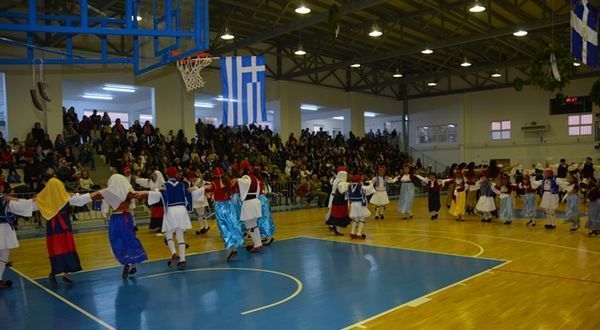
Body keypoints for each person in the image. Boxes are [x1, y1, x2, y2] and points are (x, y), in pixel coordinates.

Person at [34, 178, 94, 286]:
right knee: (58, 249)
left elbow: (81, 199)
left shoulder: (65, 197)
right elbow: (29, 205)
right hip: (56, 228)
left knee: (65, 248)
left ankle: (65, 274)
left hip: (62, 227)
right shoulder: (45, 199)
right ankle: (53, 273)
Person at [147, 167, 208, 269]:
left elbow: (157, 195)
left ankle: (174, 253)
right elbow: (190, 194)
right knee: (180, 236)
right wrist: (201, 190)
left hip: (171, 210)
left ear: (167, 175)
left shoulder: (164, 186)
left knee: (169, 234)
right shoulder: (183, 185)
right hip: (182, 210)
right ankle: (183, 260)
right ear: (176, 175)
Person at [97, 174, 148, 279]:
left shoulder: (109, 193)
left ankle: (128, 263)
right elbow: (133, 205)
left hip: (115, 218)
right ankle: (131, 264)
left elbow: (105, 210)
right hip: (126, 217)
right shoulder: (128, 192)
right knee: (129, 239)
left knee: (117, 240)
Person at [0, 182, 35, 288]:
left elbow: (17, 205)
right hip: (3, 228)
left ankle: (0, 278)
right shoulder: (4, 198)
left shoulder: (4, 198)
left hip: (5, 228)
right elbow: (18, 206)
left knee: (4, 254)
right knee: (4, 254)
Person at [209, 167, 244, 261]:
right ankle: (237, 243)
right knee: (233, 224)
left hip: (220, 206)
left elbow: (208, 190)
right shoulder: (228, 181)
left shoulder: (214, 184)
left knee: (224, 226)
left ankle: (232, 247)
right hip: (229, 204)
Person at [236, 172, 263, 252]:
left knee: (249, 225)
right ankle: (258, 243)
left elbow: (244, 182)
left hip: (249, 203)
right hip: (255, 201)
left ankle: (257, 244)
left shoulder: (246, 177)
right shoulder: (255, 178)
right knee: (254, 225)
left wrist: (237, 180)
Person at [348, 174, 375, 239]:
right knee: (362, 219)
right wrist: (372, 183)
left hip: (353, 204)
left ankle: (352, 232)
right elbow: (368, 190)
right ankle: (359, 234)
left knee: (356, 219)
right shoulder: (360, 186)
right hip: (360, 204)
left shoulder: (350, 186)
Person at [326, 167, 351, 236]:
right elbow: (343, 190)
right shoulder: (341, 182)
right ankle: (334, 226)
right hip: (338, 199)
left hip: (336, 198)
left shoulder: (336, 180)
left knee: (334, 212)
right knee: (336, 213)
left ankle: (333, 225)